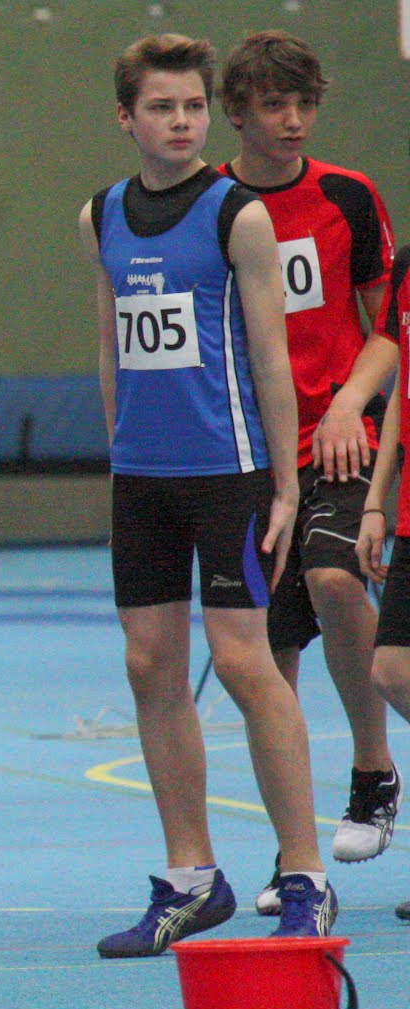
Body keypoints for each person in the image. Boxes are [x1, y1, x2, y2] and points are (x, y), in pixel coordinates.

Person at [78, 35, 336, 958]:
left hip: (229, 474)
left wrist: (286, 483)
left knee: (243, 662)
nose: (181, 122)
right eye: (162, 108)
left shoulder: (238, 215)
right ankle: (192, 878)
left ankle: (304, 873)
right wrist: (119, 454)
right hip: (143, 480)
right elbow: (111, 343)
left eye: (192, 106)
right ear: (127, 117)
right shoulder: (102, 215)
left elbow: (269, 353)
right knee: (150, 664)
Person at [217, 31, 400, 915]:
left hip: (339, 441)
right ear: (237, 113)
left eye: (305, 104)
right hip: (247, 454)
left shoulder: (346, 197)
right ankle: (294, 857)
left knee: (335, 578)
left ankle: (373, 767)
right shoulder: (212, 209)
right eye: (273, 105)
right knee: (270, 657)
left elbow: (389, 326)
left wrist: (346, 405)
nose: (293, 121)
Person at [356, 248, 410, 919]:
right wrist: (376, 500)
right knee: (392, 671)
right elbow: (402, 392)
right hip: (409, 512)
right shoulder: (407, 273)